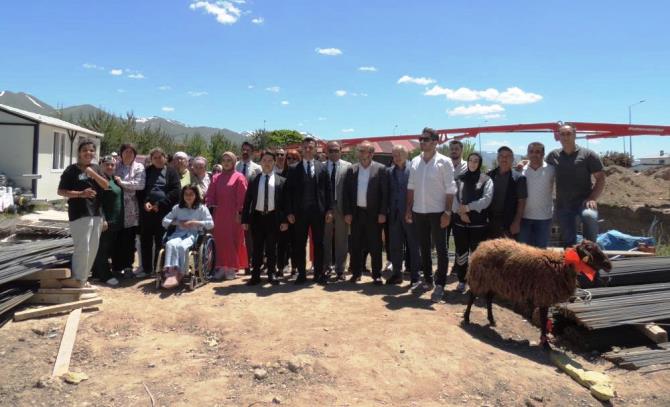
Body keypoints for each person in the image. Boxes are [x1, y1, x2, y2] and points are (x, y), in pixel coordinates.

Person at [405, 128, 456, 292]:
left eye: (425, 139)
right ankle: (428, 279)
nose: (421, 142)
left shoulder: (444, 162)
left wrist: (447, 212)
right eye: (420, 139)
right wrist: (408, 209)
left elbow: (450, 189)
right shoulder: (414, 161)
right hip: (419, 211)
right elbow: (411, 187)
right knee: (424, 247)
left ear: (435, 142)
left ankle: (440, 283)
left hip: (438, 212)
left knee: (441, 249)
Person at [57, 139, 109, 287]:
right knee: (82, 248)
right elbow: (61, 191)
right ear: (79, 152)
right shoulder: (71, 170)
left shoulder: (97, 168)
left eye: (91, 150)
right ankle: (77, 279)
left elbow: (106, 186)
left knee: (92, 249)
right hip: (79, 213)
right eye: (85, 150)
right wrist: (81, 194)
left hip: (96, 213)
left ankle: (83, 279)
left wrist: (93, 174)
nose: (88, 153)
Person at [546, 124, 605, 246]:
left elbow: (600, 178)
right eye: (562, 134)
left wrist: (592, 198)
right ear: (559, 137)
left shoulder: (588, 155)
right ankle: (571, 262)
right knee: (568, 241)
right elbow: (542, 169)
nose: (565, 137)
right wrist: (525, 164)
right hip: (563, 204)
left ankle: (590, 248)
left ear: (575, 135)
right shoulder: (553, 156)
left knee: (589, 216)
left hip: (584, 202)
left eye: (568, 134)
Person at [286, 137, 333, 285]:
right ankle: (301, 274)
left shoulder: (323, 167)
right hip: (299, 213)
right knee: (299, 244)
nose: (308, 150)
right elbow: (288, 192)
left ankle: (318, 273)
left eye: (310, 147)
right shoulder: (294, 169)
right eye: (305, 147)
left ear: (315, 149)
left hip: (318, 212)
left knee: (319, 243)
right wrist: (290, 212)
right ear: (302, 148)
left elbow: (328, 190)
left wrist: (329, 210)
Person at [444, 152, 493, 296]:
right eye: (471, 160)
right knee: (461, 253)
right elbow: (453, 198)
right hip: (460, 223)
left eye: (476, 161)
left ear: (480, 163)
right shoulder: (459, 179)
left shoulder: (486, 180)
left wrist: (468, 207)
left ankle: (477, 283)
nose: (473, 163)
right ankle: (461, 280)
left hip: (478, 224)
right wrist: (461, 212)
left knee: (477, 255)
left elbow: (487, 199)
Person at [343, 141, 388, 284]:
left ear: (372, 153)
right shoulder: (352, 170)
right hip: (356, 213)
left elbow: (385, 194)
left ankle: (376, 275)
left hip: (374, 214)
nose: (362, 154)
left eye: (365, 151)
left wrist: (382, 212)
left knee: (375, 246)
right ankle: (356, 273)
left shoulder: (381, 169)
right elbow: (347, 194)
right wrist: (347, 212)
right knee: (355, 245)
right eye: (360, 151)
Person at [241, 151, 289, 286]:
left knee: (271, 248)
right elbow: (248, 201)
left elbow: (286, 203)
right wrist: (245, 220)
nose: (267, 163)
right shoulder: (253, 179)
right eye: (264, 160)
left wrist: (285, 220)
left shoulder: (281, 181)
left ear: (274, 163)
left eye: (269, 160)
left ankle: (271, 274)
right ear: (260, 163)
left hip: (273, 218)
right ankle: (255, 275)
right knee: (257, 248)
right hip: (257, 218)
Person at [137, 148, 181, 277]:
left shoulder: (172, 172)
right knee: (145, 240)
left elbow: (176, 191)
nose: (157, 159)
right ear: (151, 159)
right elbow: (141, 189)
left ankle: (158, 269)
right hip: (147, 211)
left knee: (160, 240)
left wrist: (160, 204)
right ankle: (146, 269)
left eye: (159, 157)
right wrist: (145, 202)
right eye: (154, 158)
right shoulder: (147, 171)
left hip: (163, 211)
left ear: (165, 158)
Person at [160, 185, 214, 288]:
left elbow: (211, 224)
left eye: (191, 194)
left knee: (182, 246)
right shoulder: (177, 208)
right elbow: (164, 221)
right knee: (170, 243)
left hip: (193, 235)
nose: (188, 197)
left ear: (196, 195)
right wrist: (177, 223)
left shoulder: (202, 209)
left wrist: (196, 222)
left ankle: (181, 271)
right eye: (186, 194)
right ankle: (170, 270)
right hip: (178, 233)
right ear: (183, 195)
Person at [207, 151, 249, 280]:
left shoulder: (239, 177)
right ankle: (220, 267)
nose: (226, 163)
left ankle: (232, 268)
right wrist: (210, 206)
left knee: (233, 240)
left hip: (234, 215)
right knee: (220, 240)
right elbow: (210, 195)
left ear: (234, 162)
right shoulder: (215, 177)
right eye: (224, 160)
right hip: (219, 214)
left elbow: (242, 197)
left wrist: (240, 213)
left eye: (229, 160)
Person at [386, 145, 421, 286]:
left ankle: (415, 277)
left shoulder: (415, 169)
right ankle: (396, 274)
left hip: (411, 213)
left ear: (406, 154)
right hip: (394, 215)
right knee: (395, 246)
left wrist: (412, 210)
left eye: (399, 154)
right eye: (394, 155)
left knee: (413, 245)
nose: (397, 157)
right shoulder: (389, 172)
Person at [91, 155, 125, 286]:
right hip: (106, 221)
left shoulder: (113, 179)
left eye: (112, 165)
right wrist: (103, 218)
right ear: (101, 166)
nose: (110, 167)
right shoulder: (100, 181)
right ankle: (104, 276)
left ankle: (96, 273)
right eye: (107, 164)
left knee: (108, 248)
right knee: (103, 249)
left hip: (116, 220)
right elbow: (97, 202)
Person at [114, 143, 145, 275]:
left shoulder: (139, 167)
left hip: (131, 207)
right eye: (126, 151)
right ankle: (116, 266)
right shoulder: (115, 166)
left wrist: (121, 183)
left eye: (131, 152)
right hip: (115, 206)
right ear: (121, 153)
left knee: (128, 237)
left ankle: (127, 266)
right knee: (116, 237)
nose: (128, 154)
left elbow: (140, 184)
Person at [322, 141, 351, 281]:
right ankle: (326, 268)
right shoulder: (321, 167)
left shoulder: (348, 166)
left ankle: (340, 270)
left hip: (342, 208)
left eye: (336, 150)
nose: (333, 153)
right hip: (325, 209)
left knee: (342, 240)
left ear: (341, 150)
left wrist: (349, 211)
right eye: (331, 150)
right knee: (325, 239)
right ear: (327, 152)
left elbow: (351, 191)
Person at [518, 142, 555, 248]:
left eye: (538, 152)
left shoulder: (551, 169)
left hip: (544, 218)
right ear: (528, 154)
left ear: (543, 154)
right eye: (531, 151)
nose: (534, 154)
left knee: (541, 253)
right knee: (523, 253)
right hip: (523, 217)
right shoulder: (521, 170)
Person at [487, 146, 527, 239]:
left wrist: (516, 222)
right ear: (498, 158)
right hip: (490, 221)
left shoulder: (519, 178)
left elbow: (522, 202)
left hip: (509, 223)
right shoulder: (489, 176)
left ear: (513, 159)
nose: (504, 158)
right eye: (501, 156)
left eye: (508, 156)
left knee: (507, 252)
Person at [236, 142, 262, 275]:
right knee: (238, 235)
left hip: (252, 206)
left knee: (250, 236)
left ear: (252, 152)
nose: (245, 152)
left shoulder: (257, 168)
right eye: (243, 149)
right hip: (237, 206)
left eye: (248, 150)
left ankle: (250, 262)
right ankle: (239, 262)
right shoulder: (235, 166)